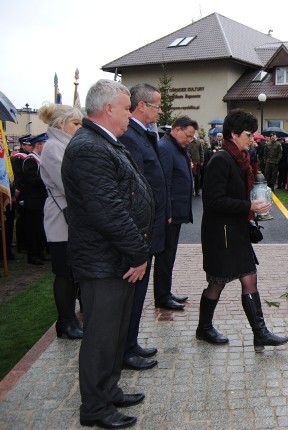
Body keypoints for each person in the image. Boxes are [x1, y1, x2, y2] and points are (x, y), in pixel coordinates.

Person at [62, 79, 152, 429]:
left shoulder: (104, 142)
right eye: (127, 108)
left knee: (114, 332)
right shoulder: (89, 148)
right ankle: (95, 407)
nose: (131, 114)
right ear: (108, 109)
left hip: (115, 258)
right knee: (101, 337)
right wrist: (138, 253)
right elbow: (108, 211)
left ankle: (109, 388)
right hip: (104, 261)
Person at [197, 108, 288, 351]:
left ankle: (260, 333)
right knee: (217, 283)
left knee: (249, 279)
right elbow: (213, 201)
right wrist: (248, 205)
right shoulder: (220, 159)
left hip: (236, 230)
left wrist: (252, 206)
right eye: (248, 134)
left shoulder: (240, 158)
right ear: (233, 134)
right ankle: (204, 328)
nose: (252, 139)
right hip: (221, 234)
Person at [119, 83, 167, 371]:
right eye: (156, 105)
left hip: (149, 226)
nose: (159, 110)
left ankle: (131, 343)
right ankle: (125, 349)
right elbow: (132, 190)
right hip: (140, 230)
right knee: (132, 294)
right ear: (142, 107)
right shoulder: (131, 138)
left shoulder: (142, 134)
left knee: (138, 294)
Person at [39, 103, 83, 339]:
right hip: (61, 219)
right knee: (65, 273)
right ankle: (65, 322)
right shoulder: (54, 147)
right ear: (60, 124)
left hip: (72, 217)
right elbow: (68, 185)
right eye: (76, 123)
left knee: (73, 272)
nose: (79, 127)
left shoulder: (64, 145)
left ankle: (71, 319)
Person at [154, 116, 198, 310]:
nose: (189, 140)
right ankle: (162, 296)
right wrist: (168, 211)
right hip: (169, 214)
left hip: (177, 211)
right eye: (187, 136)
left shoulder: (178, 146)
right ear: (177, 129)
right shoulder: (165, 147)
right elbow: (164, 183)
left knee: (170, 255)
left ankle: (166, 291)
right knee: (165, 256)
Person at [20, 133, 48, 265]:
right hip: (33, 200)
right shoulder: (30, 160)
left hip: (41, 199)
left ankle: (40, 252)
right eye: (44, 144)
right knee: (33, 229)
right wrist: (48, 180)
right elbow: (32, 180)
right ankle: (33, 255)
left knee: (41, 228)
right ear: (38, 145)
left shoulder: (40, 159)